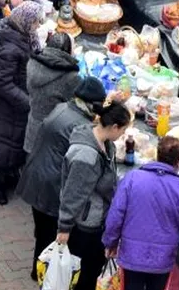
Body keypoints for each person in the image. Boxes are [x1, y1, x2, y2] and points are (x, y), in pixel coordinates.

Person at [102, 136, 179, 290]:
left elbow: (115, 216)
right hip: (162, 260)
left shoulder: (132, 178)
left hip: (131, 256)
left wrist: (110, 242)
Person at [17, 75, 110, 279]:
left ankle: (39, 269)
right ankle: (45, 273)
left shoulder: (62, 108)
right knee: (50, 232)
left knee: (41, 229)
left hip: (36, 175)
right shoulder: (79, 125)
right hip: (51, 182)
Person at [55, 101, 132, 290]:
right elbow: (73, 194)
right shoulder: (86, 156)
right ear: (115, 127)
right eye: (124, 130)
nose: (124, 134)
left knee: (89, 275)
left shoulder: (102, 142)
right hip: (84, 226)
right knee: (78, 277)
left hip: (95, 221)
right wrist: (64, 227)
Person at [0, 2, 43, 205]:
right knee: (0, 141)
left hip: (14, 101)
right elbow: (1, 82)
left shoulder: (21, 37)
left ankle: (8, 172)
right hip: (3, 104)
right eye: (35, 22)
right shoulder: (10, 48)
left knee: (12, 140)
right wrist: (26, 101)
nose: (38, 26)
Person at [25, 32, 81, 154]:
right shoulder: (70, 77)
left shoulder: (32, 63)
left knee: (30, 161)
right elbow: (78, 105)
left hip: (33, 124)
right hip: (55, 132)